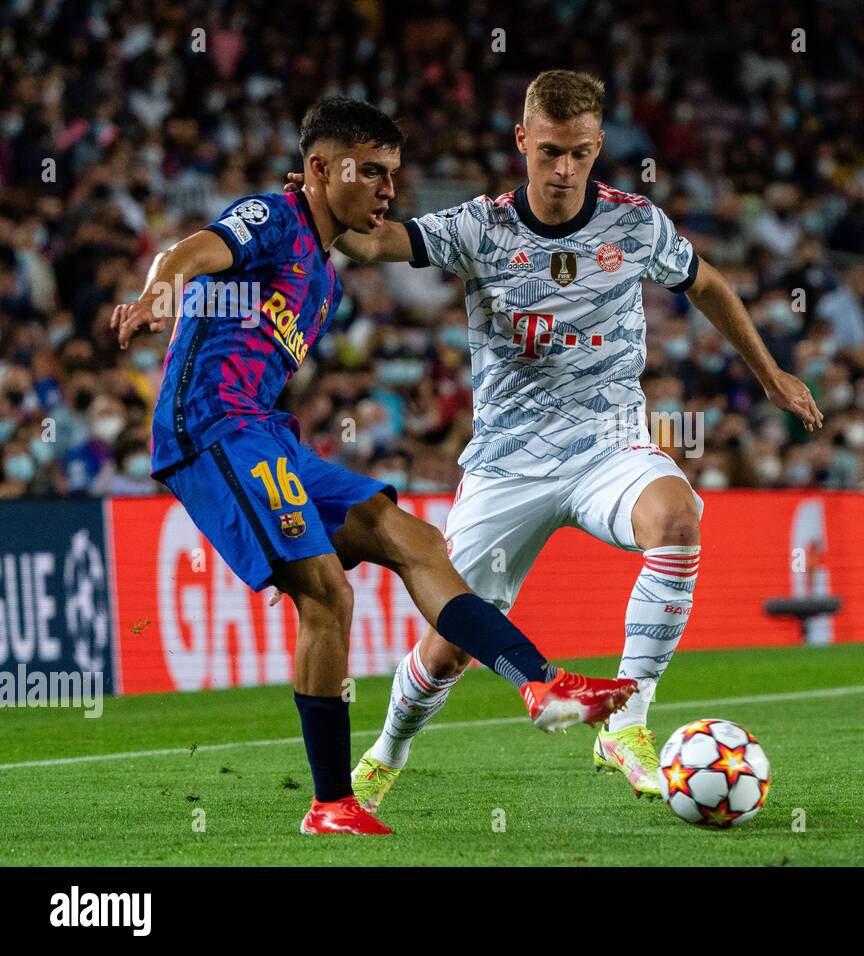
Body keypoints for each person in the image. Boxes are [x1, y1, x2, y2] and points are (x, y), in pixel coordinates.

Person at [288, 71, 822, 806]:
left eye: (578, 153)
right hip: (509, 464)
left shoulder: (636, 225)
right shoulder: (480, 227)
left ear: (599, 146)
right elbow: (374, 244)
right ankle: (386, 752)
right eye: (548, 153)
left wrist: (770, 375)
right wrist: (313, 202)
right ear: (522, 143)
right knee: (448, 648)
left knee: (678, 518)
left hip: (608, 445)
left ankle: (627, 721)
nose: (563, 169)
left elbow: (707, 284)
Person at [112, 96, 636, 836]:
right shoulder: (274, 218)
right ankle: (331, 804)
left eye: (395, 174)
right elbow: (190, 253)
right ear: (321, 169)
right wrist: (155, 295)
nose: (390, 190)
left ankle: (543, 688)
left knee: (412, 538)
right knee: (325, 594)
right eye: (374, 172)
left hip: (267, 434)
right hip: (211, 426)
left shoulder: (322, 278)